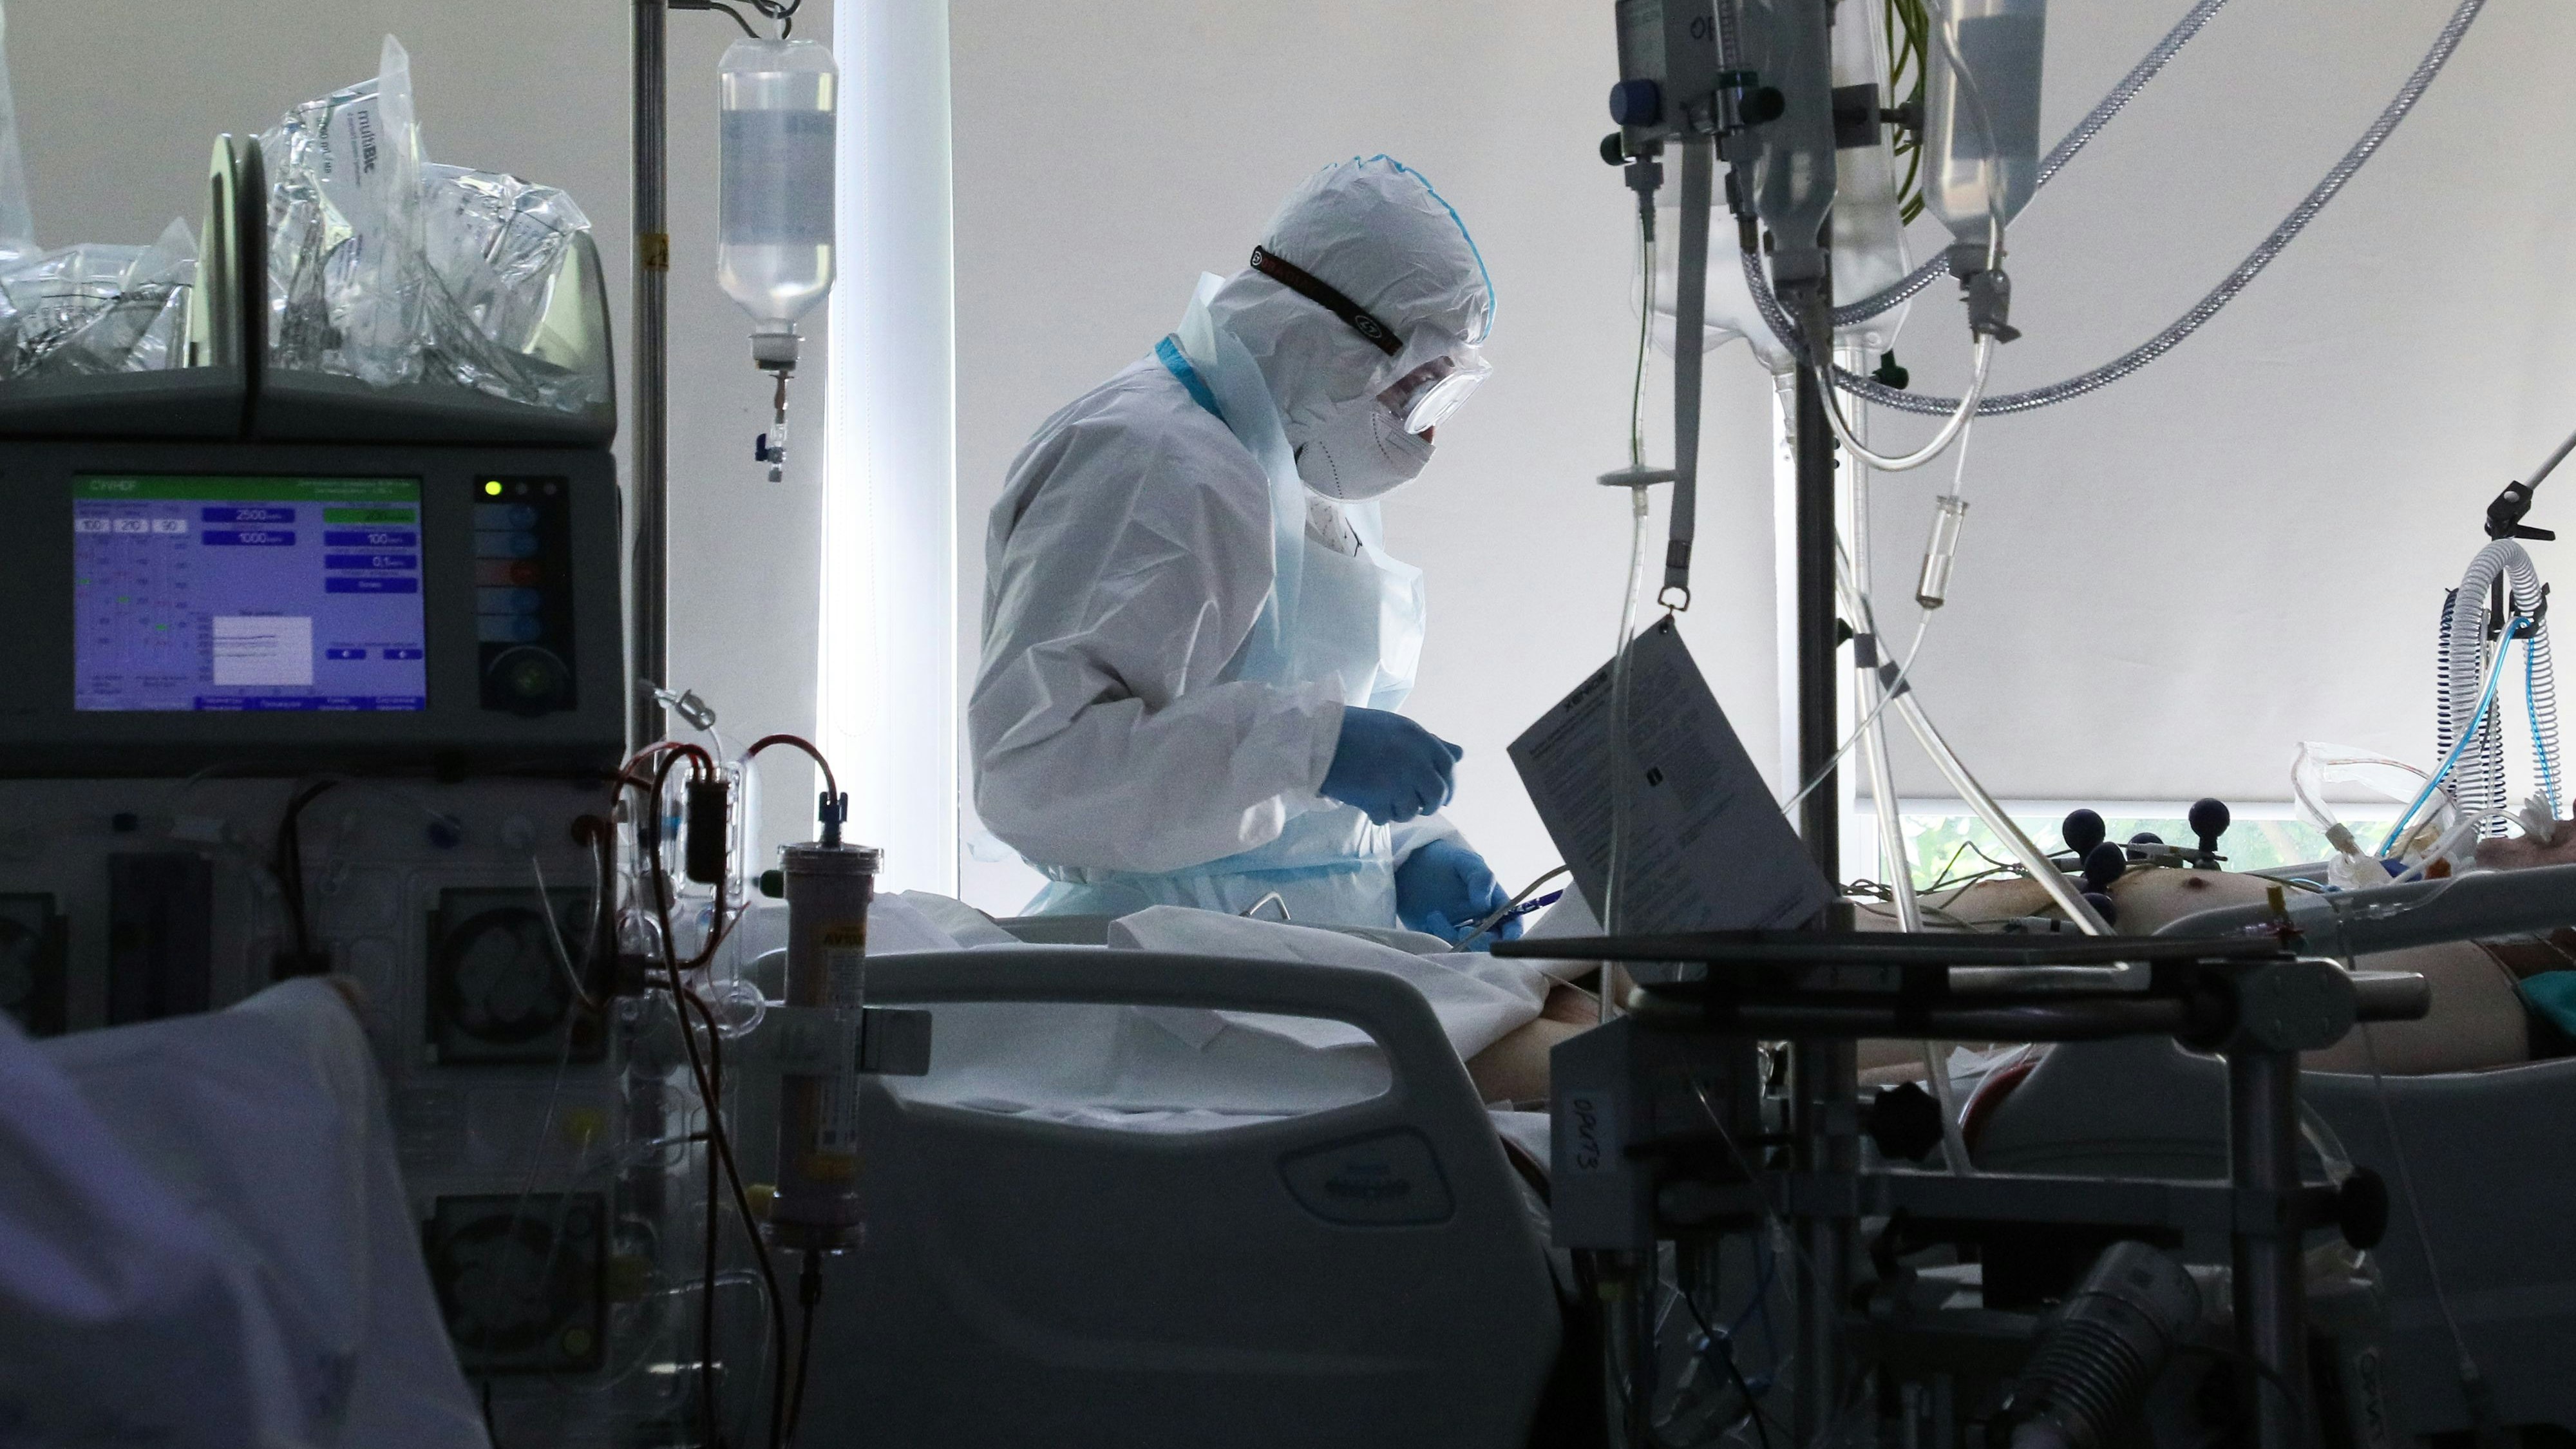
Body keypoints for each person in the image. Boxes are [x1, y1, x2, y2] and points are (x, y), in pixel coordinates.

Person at [972, 155, 1521, 943]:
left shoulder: (1297, 469)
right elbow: (1036, 772)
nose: (1424, 430)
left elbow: (1288, 770)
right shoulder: (1148, 461)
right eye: (1414, 389)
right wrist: (1316, 749)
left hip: (1289, 957)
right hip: (1169, 981)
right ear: (1332, 342)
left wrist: (1400, 849)